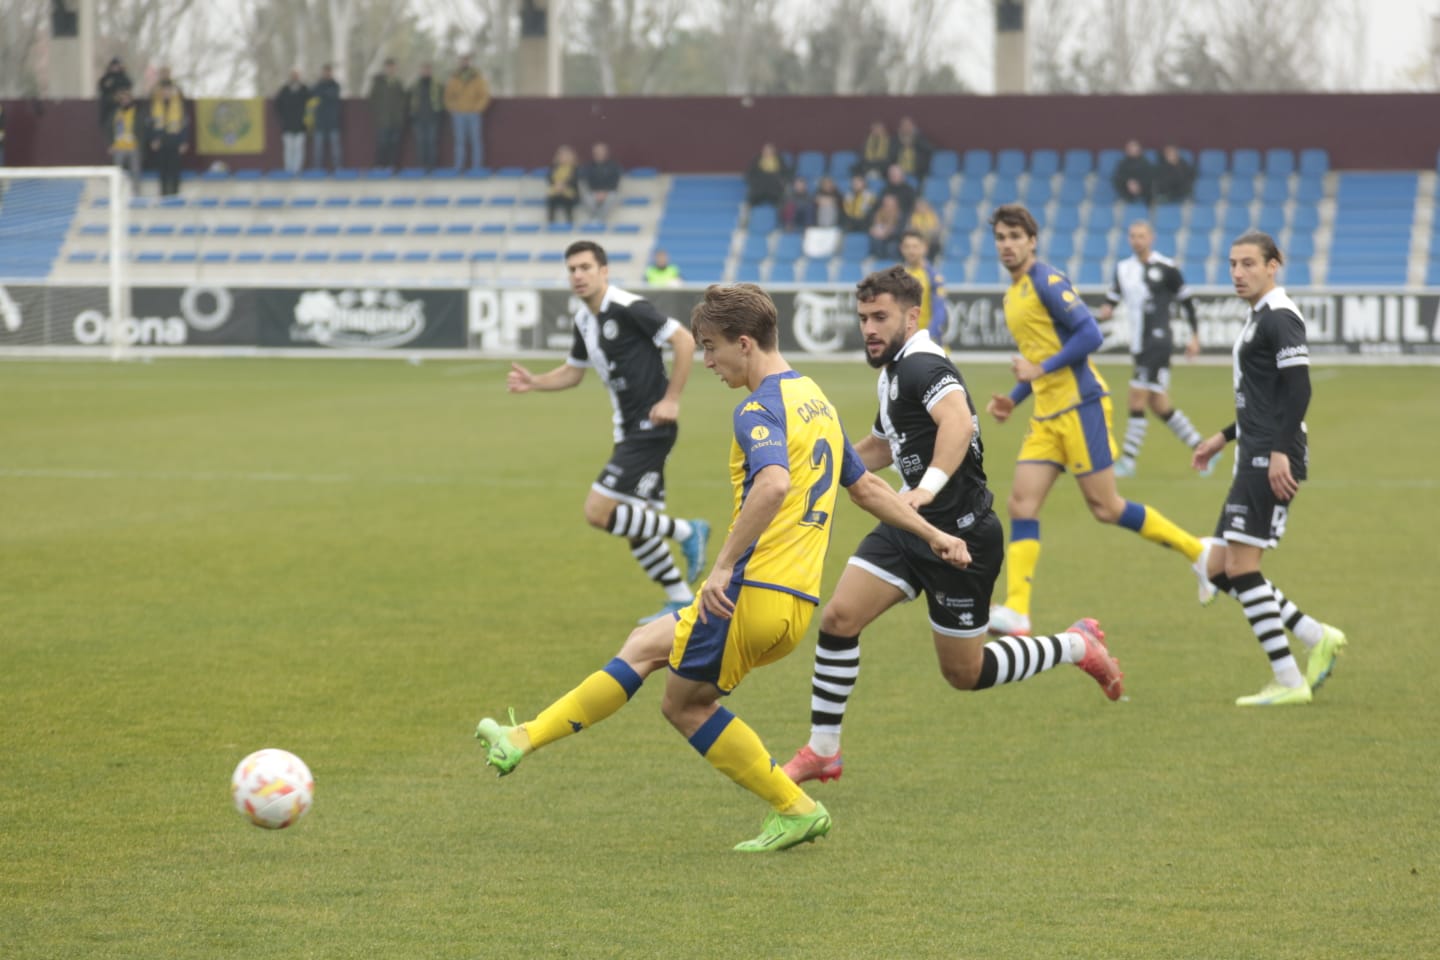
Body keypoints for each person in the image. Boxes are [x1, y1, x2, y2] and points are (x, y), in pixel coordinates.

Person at [476, 283, 975, 852]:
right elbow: (863, 487)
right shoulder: (816, 398)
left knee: (683, 704)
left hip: (749, 592)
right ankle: (522, 737)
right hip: (794, 605)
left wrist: (721, 567)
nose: (707, 361)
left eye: (711, 348)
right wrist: (934, 534)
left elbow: (774, 483)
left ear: (744, 343)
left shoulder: (758, 410)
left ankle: (795, 806)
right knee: (645, 645)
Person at [782, 267, 1122, 785]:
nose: (869, 328)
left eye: (880, 317)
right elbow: (880, 446)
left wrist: (929, 485)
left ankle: (1076, 645)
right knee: (839, 618)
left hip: (963, 534)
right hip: (909, 526)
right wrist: (822, 470)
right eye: (863, 318)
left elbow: (958, 421)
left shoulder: (921, 362)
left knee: (965, 674)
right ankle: (823, 750)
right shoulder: (893, 371)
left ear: (911, 316)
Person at [983, 204, 1212, 637]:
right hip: (1046, 414)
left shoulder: (1046, 282)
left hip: (1081, 406)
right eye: (1000, 237)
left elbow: (1090, 334)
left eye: (1015, 236)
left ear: (1032, 241)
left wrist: (1038, 371)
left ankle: (1196, 550)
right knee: (1020, 504)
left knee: (1106, 508)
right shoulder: (1012, 296)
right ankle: (1017, 610)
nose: (1007, 245)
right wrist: (1014, 399)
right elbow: (1038, 361)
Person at [506, 241, 708, 624]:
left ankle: (687, 530)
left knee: (599, 512)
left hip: (652, 426)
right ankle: (681, 599)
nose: (578, 276)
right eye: (572, 269)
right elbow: (572, 372)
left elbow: (683, 339)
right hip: (627, 428)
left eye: (585, 267)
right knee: (636, 525)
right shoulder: (584, 320)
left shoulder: (628, 307)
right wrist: (534, 382)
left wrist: (672, 399)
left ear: (604, 271)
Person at [1192, 231, 1347, 706]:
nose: (1238, 273)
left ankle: (1287, 680)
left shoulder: (1280, 317)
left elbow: (1298, 390)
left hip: (1270, 458)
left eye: (1249, 264)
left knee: (1239, 568)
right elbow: (1263, 397)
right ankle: (1316, 635)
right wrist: (1223, 435)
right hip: (1254, 450)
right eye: (1233, 264)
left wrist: (1280, 451)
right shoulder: (1259, 316)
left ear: (1273, 265)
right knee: (1220, 569)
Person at [1096, 220, 1210, 479]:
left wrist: (1194, 336)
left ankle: (1127, 460)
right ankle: (1203, 449)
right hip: (1139, 343)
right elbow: (1112, 300)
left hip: (1157, 341)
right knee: (1159, 404)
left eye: (1141, 236)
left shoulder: (1167, 268)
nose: (1137, 240)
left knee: (1136, 398)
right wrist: (1104, 311)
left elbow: (1187, 302)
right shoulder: (1123, 269)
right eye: (1133, 236)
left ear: (1151, 238)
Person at [898, 229, 948, 344]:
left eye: (915, 246)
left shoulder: (934, 277)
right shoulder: (897, 277)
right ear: (901, 248)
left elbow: (939, 311)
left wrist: (927, 336)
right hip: (903, 342)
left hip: (927, 340)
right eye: (907, 247)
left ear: (924, 247)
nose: (911, 251)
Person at [444, 54, 490, 169]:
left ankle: (476, 167)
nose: (464, 63)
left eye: (466, 61)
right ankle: (458, 166)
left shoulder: (477, 77)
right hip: (458, 114)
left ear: (469, 62)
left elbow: (484, 95)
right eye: (462, 61)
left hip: (473, 114)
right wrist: (452, 108)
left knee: (476, 141)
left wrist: (477, 108)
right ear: (459, 62)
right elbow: (448, 96)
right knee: (459, 142)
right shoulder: (454, 78)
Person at [147, 79, 187, 197]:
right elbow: (150, 124)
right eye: (164, 90)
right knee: (163, 168)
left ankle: (175, 193)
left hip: (174, 140)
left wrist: (183, 142)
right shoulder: (155, 104)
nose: (166, 92)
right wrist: (153, 139)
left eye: (168, 90)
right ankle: (164, 193)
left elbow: (184, 124)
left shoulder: (179, 104)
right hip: (160, 140)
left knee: (175, 168)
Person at [367, 58, 407, 170]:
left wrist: (400, 114)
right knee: (382, 144)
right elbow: (372, 99)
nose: (390, 69)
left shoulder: (398, 83)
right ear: (385, 68)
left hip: (396, 120)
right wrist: (379, 112)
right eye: (388, 67)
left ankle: (391, 166)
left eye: (392, 67)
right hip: (383, 120)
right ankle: (379, 166)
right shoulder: (378, 83)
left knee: (394, 145)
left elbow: (403, 101)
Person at [408, 63, 444, 171]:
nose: (426, 72)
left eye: (428, 70)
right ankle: (421, 166)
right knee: (420, 143)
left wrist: (439, 113)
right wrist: (412, 114)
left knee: (432, 142)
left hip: (432, 118)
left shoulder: (437, 84)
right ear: (420, 71)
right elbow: (410, 100)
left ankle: (432, 166)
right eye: (424, 70)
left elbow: (442, 99)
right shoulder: (415, 84)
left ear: (431, 71)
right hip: (419, 118)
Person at [274, 70, 309, 175]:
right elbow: (277, 105)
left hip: (300, 125)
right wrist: (282, 118)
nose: (295, 78)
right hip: (287, 125)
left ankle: (297, 170)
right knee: (288, 149)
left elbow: (311, 103)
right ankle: (288, 170)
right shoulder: (284, 90)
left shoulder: (304, 90)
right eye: (293, 76)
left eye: (297, 76)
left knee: (299, 148)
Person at [108, 87, 143, 191]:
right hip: (118, 147)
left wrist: (140, 144)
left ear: (131, 99)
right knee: (117, 172)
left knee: (135, 172)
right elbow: (109, 129)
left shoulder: (137, 112)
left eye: (127, 99)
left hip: (134, 146)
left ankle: (136, 195)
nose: (124, 101)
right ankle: (117, 194)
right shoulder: (115, 112)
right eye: (122, 99)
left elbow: (142, 130)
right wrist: (111, 144)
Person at [579, 142, 623, 223]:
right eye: (597, 152)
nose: (599, 154)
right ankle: (597, 218)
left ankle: (598, 219)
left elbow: (615, 181)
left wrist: (605, 192)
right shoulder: (588, 166)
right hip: (593, 192)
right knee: (586, 198)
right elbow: (585, 181)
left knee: (612, 197)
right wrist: (596, 193)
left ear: (606, 153)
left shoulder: (614, 165)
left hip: (609, 192)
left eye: (601, 152)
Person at [310, 64, 343, 170]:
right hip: (320, 121)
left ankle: (337, 168)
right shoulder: (318, 85)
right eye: (325, 72)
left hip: (333, 121)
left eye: (328, 72)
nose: (327, 74)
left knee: (335, 149)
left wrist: (322, 94)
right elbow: (312, 93)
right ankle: (317, 169)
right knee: (318, 149)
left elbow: (332, 94)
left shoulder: (335, 85)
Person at [97, 57, 133, 141]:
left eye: (117, 66)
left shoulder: (124, 78)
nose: (115, 68)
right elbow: (102, 88)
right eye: (113, 66)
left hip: (122, 110)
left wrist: (120, 95)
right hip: (109, 109)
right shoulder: (106, 78)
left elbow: (128, 87)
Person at [745, 143, 788, 210]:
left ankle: (780, 217)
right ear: (763, 151)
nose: (768, 153)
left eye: (770, 151)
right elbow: (750, 173)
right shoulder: (757, 159)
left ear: (774, 152)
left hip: (775, 187)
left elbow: (785, 173)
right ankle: (746, 216)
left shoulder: (779, 160)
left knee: (782, 201)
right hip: (760, 187)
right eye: (766, 151)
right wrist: (753, 182)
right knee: (750, 200)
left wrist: (783, 182)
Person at [891, 116, 932, 185]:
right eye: (904, 125)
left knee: (924, 183)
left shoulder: (920, 138)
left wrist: (915, 141)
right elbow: (891, 156)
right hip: (900, 171)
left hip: (917, 172)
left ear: (913, 127)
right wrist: (901, 145)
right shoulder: (895, 139)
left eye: (909, 125)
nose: (906, 128)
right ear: (901, 127)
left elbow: (930, 150)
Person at [544, 145, 580, 224]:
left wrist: (563, 185)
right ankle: (551, 223)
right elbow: (549, 178)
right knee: (551, 199)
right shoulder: (554, 167)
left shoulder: (574, 168)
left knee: (567, 200)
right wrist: (557, 185)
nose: (563, 158)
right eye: (561, 155)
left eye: (565, 156)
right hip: (556, 191)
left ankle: (570, 223)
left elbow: (574, 180)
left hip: (570, 193)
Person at [1111, 139, 1153, 204]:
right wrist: (1128, 183)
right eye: (1131, 148)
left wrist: (1139, 185)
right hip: (1126, 191)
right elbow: (1119, 177)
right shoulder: (1123, 163)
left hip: (1144, 192)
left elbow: (1149, 177)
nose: (1133, 150)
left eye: (1135, 148)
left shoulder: (1145, 163)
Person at [905, 196, 943, 260]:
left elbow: (937, 230)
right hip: (919, 240)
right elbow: (911, 230)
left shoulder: (932, 216)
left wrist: (927, 232)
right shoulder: (913, 217)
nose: (921, 208)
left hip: (931, 240)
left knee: (935, 246)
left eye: (922, 206)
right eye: (918, 207)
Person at [866, 194, 903, 260]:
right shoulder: (878, 213)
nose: (887, 205)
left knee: (892, 247)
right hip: (879, 237)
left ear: (895, 204)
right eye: (885, 203)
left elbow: (900, 230)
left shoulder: (900, 214)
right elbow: (873, 225)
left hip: (894, 239)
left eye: (889, 203)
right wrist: (872, 230)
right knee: (875, 240)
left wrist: (887, 233)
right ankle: (877, 259)